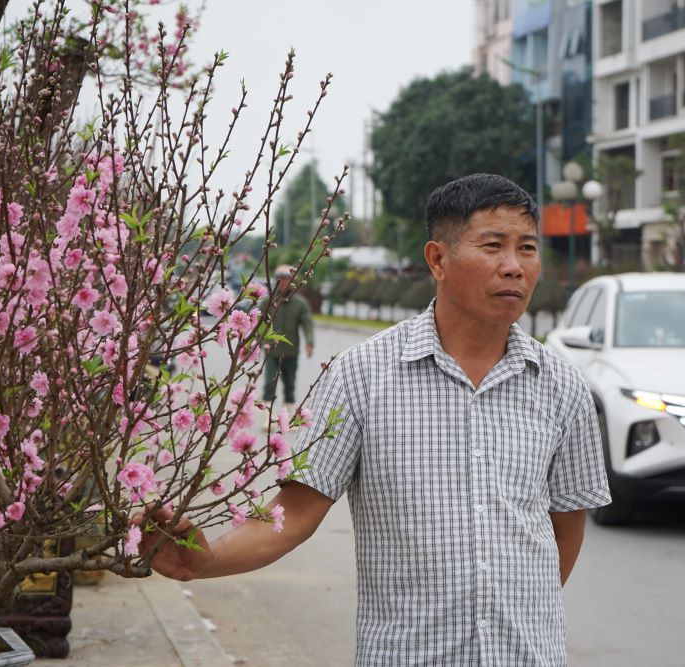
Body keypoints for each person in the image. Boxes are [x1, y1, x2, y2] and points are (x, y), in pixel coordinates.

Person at [141, 174, 611, 665]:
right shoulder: (360, 376)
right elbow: (294, 515)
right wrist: (206, 559)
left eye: (528, 249)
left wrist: (510, 614)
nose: (514, 267)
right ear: (438, 260)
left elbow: (564, 531)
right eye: (493, 246)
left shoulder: (562, 384)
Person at [259, 264, 314, 417]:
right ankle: (267, 417)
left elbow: (307, 323)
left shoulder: (300, 304)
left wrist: (309, 342)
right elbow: (259, 322)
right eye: (279, 279)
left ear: (292, 281)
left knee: (289, 385)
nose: (282, 282)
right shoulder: (268, 302)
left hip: (291, 352)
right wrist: (256, 344)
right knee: (270, 383)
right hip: (272, 352)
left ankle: (289, 416)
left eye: (285, 279)